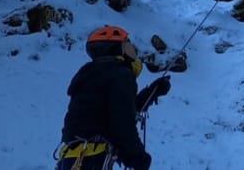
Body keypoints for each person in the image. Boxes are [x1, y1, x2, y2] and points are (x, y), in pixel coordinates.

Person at [55, 25, 171, 170]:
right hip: (93, 159)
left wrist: (151, 93)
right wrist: (138, 159)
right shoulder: (120, 74)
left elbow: (107, 112)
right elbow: (122, 124)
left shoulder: (91, 75)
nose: (133, 48)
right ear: (116, 47)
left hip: (72, 158)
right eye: (127, 42)